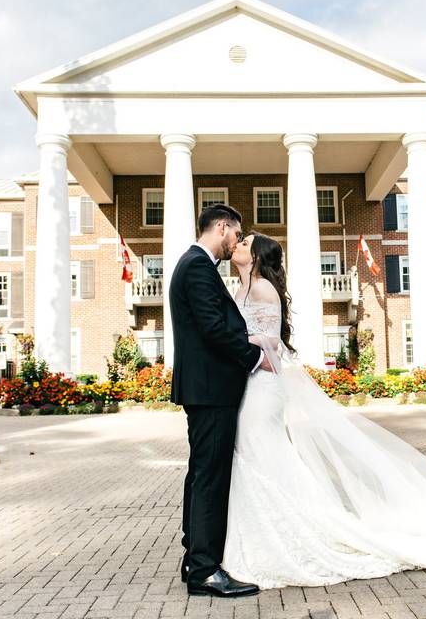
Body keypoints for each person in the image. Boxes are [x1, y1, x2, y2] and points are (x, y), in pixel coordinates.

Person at [221, 231, 426, 589]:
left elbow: (270, 344)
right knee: (257, 458)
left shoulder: (262, 290)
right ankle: (265, 538)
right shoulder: (241, 288)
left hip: (262, 390)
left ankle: (289, 537)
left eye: (244, 243)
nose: (237, 244)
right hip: (247, 387)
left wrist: (233, 339)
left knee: (263, 456)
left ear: (256, 256)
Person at [168, 204, 276, 598]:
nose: (236, 242)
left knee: (200, 474)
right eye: (236, 233)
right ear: (222, 227)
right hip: (212, 390)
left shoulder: (193, 264)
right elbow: (212, 327)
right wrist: (253, 357)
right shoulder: (197, 265)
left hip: (205, 388)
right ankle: (205, 571)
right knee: (211, 479)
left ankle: (194, 558)